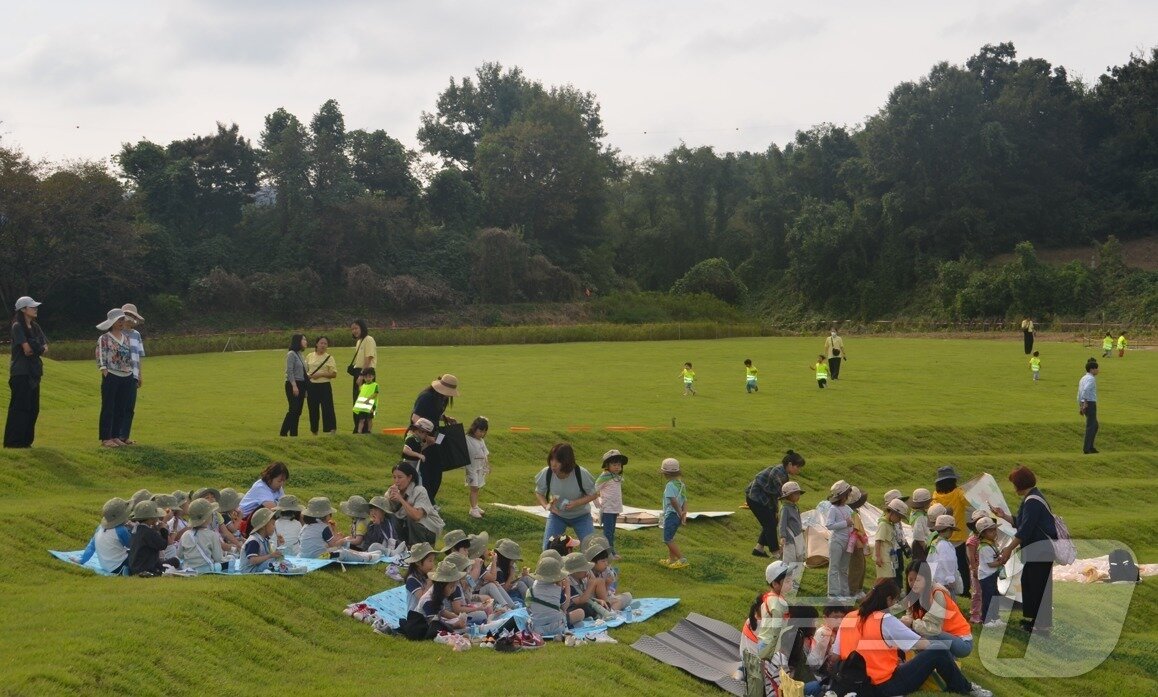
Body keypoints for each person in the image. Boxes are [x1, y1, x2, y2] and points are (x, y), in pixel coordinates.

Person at [833, 580, 992, 697]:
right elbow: (923, 644)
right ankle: (965, 687)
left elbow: (835, 655)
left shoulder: (849, 617)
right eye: (895, 600)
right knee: (938, 650)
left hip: (852, 682)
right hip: (884, 685)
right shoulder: (885, 619)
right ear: (888, 599)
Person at [991, 465, 1057, 635]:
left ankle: (1041, 626)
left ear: (1019, 484)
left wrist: (1008, 549)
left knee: (1038, 586)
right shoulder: (1033, 497)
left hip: (1039, 550)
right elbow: (1023, 523)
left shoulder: (1032, 501)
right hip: (1038, 550)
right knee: (1031, 583)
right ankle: (1036, 621)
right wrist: (1003, 516)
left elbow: (1025, 530)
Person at [739, 560, 793, 692]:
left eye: (791, 580)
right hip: (759, 663)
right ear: (775, 584)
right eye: (787, 581)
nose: (791, 583)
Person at [534, 443, 598, 550]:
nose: (553, 464)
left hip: (581, 515)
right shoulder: (547, 473)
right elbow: (539, 493)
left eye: (558, 461)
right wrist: (547, 506)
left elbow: (595, 494)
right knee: (548, 549)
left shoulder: (581, 473)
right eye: (552, 459)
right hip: (558, 516)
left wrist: (576, 503)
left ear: (567, 462)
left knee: (592, 549)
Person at [904, 560, 973, 658]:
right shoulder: (913, 597)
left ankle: (944, 660)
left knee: (929, 634)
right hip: (943, 637)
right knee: (911, 633)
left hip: (961, 642)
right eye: (911, 580)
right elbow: (909, 620)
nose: (914, 583)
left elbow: (932, 628)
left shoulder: (937, 594)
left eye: (917, 580)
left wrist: (911, 623)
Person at [410, 374, 460, 503]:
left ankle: (430, 500)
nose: (448, 396)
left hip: (434, 436)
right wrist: (426, 436)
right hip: (421, 437)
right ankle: (424, 501)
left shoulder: (442, 398)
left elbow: (434, 413)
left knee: (437, 469)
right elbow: (415, 418)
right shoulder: (426, 397)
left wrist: (445, 418)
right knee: (426, 470)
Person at [5, 296, 47, 448]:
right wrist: (37, 347)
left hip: (34, 372)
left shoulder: (35, 327)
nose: (35, 309)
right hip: (20, 372)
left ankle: (26, 441)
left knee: (33, 408)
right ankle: (13, 442)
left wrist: (37, 347)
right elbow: (27, 350)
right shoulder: (17, 326)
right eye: (32, 307)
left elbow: (45, 348)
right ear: (23, 309)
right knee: (19, 408)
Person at [746, 450, 805, 558]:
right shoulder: (779, 473)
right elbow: (782, 495)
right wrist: (779, 510)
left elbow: (777, 495)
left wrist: (776, 510)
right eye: (797, 467)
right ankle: (776, 552)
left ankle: (759, 548)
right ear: (790, 464)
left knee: (772, 522)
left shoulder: (783, 473)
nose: (798, 470)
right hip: (756, 498)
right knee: (770, 524)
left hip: (763, 499)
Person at [95, 308, 135, 448]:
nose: (121, 322)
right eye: (119, 320)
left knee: (121, 407)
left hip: (126, 375)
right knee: (108, 407)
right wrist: (104, 369)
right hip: (112, 375)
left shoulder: (126, 338)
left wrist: (131, 371)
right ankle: (106, 438)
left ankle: (116, 436)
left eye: (122, 320)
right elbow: (101, 354)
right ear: (112, 322)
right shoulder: (104, 338)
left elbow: (129, 356)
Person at [298, 497, 380, 562]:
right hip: (318, 558)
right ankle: (367, 557)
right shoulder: (323, 527)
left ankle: (363, 554)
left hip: (303, 556)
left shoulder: (305, 527)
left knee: (339, 549)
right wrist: (342, 541)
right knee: (343, 552)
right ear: (325, 515)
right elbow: (333, 545)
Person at [932, 465, 972, 596]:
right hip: (958, 535)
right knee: (961, 564)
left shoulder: (935, 495)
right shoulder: (959, 493)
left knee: (944, 562)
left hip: (942, 534)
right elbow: (968, 502)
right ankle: (964, 589)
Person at [385, 461, 445, 546]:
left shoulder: (420, 490)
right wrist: (388, 499)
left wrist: (401, 499)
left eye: (400, 477)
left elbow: (417, 516)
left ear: (409, 478)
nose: (396, 481)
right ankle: (398, 546)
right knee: (389, 516)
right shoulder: (393, 491)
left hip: (428, 530)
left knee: (411, 517)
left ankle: (419, 549)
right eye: (394, 477)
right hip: (407, 529)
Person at [77, 498, 132, 574]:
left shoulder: (99, 528)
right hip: (120, 565)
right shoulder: (121, 530)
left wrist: (82, 560)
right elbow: (132, 545)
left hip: (106, 566)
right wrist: (133, 529)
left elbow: (91, 547)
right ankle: (126, 570)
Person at [118, 303, 145, 445]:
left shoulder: (136, 335)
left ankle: (124, 436)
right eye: (128, 315)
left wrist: (139, 375)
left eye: (132, 315)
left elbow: (138, 356)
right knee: (119, 406)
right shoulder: (117, 333)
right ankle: (115, 436)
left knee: (129, 407)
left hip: (133, 375)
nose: (130, 318)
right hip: (119, 373)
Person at [594, 449, 627, 558]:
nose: (617, 467)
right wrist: (595, 500)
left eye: (619, 465)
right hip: (607, 509)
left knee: (611, 531)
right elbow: (595, 488)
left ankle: (611, 552)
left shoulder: (616, 477)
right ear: (607, 465)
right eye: (614, 465)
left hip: (614, 508)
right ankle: (608, 553)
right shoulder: (605, 476)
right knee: (608, 532)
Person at [127, 500, 172, 576]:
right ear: (151, 518)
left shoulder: (137, 529)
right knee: (175, 561)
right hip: (146, 568)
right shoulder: (148, 532)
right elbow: (163, 545)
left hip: (136, 567)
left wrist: (155, 530)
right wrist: (163, 529)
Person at [180, 498, 224, 574]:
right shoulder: (212, 535)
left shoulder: (185, 534)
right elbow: (218, 558)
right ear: (207, 518)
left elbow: (180, 555)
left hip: (188, 570)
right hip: (206, 570)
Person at [304, 335, 338, 435]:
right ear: (317, 344)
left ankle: (331, 429)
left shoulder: (329, 358)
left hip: (324, 386)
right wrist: (309, 377)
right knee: (313, 408)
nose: (323, 345)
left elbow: (334, 374)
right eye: (321, 343)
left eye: (325, 344)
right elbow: (305, 371)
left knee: (327, 408)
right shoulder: (309, 356)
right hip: (312, 386)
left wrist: (321, 374)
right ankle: (314, 430)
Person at [825, 480, 853, 599]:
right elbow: (829, 525)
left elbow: (853, 521)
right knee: (834, 567)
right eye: (847, 494)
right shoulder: (833, 509)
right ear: (842, 495)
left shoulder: (848, 508)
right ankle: (833, 593)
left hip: (848, 541)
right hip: (837, 540)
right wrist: (845, 523)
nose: (849, 496)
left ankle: (844, 592)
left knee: (844, 568)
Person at [348, 319, 377, 430]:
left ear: (362, 328)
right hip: (359, 372)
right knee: (357, 400)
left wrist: (361, 375)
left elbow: (368, 358)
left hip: (367, 373)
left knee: (365, 401)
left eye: (356, 328)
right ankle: (358, 428)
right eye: (352, 329)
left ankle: (365, 430)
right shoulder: (359, 341)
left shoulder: (369, 339)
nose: (354, 331)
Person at [659, 457, 688, 569]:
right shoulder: (681, 484)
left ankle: (682, 559)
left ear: (666, 474)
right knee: (671, 537)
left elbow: (673, 500)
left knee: (667, 539)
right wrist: (684, 514)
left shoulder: (670, 485)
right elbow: (685, 500)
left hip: (671, 514)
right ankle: (671, 559)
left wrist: (680, 512)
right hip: (677, 515)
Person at [975, 517, 1003, 626]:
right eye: (990, 531)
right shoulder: (984, 547)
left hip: (992, 574)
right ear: (983, 534)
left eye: (994, 529)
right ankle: (986, 619)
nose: (994, 532)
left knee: (995, 596)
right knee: (988, 598)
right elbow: (991, 564)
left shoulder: (991, 543)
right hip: (986, 576)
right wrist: (1002, 561)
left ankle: (995, 618)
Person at [778, 481, 806, 589]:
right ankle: (787, 584)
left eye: (798, 493)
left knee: (799, 559)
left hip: (798, 537)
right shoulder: (785, 508)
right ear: (789, 495)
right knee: (790, 561)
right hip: (790, 539)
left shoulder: (794, 507)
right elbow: (782, 523)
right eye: (795, 494)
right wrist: (782, 536)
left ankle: (795, 583)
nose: (798, 496)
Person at [279, 334, 308, 437]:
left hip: (302, 384)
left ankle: (294, 434)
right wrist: (294, 386)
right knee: (293, 409)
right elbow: (289, 371)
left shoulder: (301, 355)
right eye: (304, 339)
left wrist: (305, 389)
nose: (306, 341)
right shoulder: (291, 354)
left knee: (298, 411)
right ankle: (283, 432)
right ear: (298, 341)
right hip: (292, 384)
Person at [875, 498, 907, 582]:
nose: (899, 520)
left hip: (890, 557)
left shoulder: (890, 525)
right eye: (899, 517)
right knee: (884, 580)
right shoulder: (883, 525)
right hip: (883, 558)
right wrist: (878, 557)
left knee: (890, 578)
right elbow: (878, 541)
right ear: (892, 513)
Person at [464, 416, 490, 519]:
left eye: (484, 432)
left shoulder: (481, 441)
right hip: (471, 468)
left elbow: (485, 453)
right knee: (474, 487)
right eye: (480, 431)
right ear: (474, 428)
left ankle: (475, 506)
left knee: (477, 487)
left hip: (480, 467)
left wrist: (487, 465)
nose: (482, 434)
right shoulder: (467, 438)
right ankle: (473, 509)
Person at [402, 542, 437, 611]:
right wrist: (430, 581)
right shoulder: (412, 580)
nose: (433, 564)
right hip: (416, 615)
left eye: (433, 560)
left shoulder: (425, 574)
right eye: (430, 561)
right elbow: (423, 599)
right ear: (418, 562)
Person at [1078, 358, 1099, 454]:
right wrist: (1085, 403)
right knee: (1091, 426)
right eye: (1096, 368)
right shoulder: (1091, 379)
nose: (1098, 370)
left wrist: (1081, 405)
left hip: (1084, 403)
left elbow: (1079, 393)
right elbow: (1085, 390)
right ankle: (1087, 448)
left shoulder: (1083, 378)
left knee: (1095, 425)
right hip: (1089, 403)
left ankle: (1090, 446)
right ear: (1091, 369)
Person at [909, 488, 933, 562]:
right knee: (923, 565)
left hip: (922, 543)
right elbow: (918, 535)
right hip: (921, 545)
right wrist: (925, 548)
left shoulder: (914, 513)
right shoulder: (920, 517)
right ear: (924, 504)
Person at [353, 367, 379, 434]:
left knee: (369, 419)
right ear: (364, 378)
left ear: (373, 377)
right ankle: (359, 432)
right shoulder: (363, 386)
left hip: (370, 405)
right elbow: (359, 385)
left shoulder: (375, 385)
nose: (368, 378)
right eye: (366, 377)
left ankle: (369, 431)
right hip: (363, 406)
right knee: (361, 419)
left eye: (370, 376)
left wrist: (368, 399)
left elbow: (375, 393)